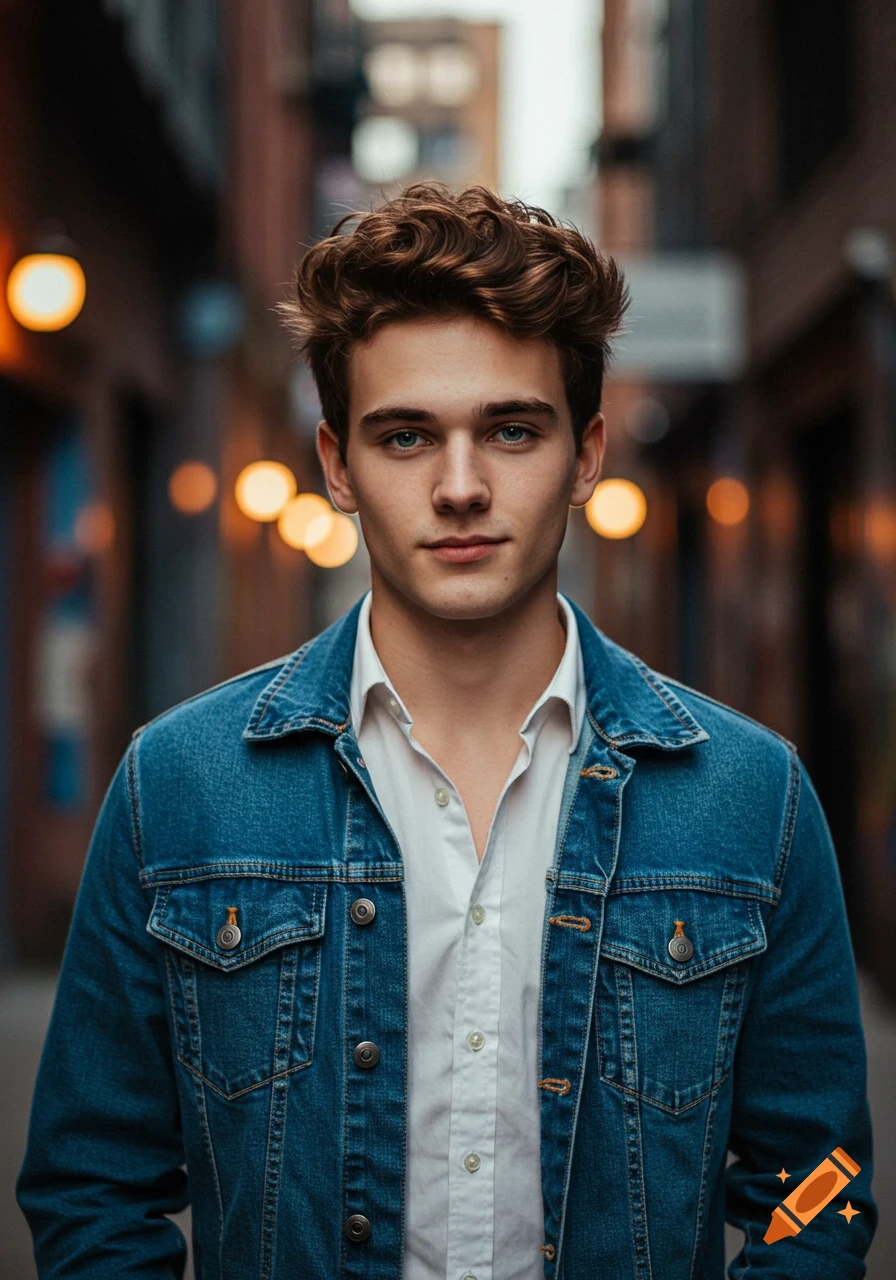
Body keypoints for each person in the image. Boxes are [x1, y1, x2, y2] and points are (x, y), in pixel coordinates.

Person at [17, 182, 876, 1279]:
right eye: (406, 434)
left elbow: (822, 1178)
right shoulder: (177, 784)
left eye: (510, 429)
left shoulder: (749, 796)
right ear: (337, 465)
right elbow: (91, 1182)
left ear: (586, 453)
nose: (460, 486)